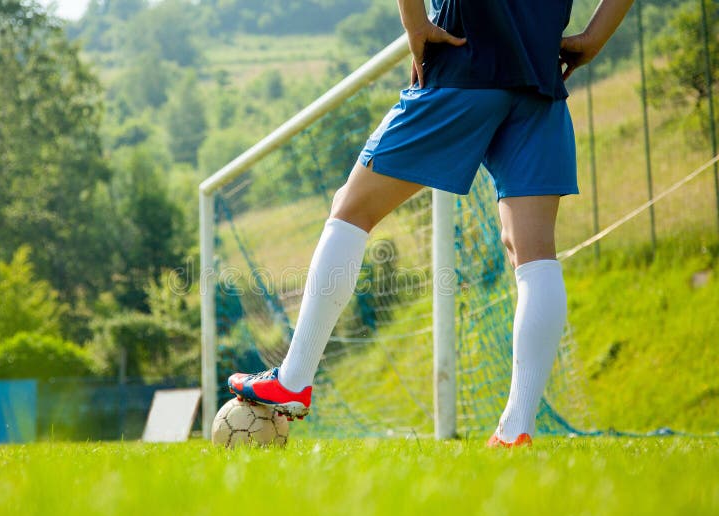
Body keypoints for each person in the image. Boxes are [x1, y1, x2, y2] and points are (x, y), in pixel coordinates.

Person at [228, 0, 635, 447]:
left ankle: (294, 378)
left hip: (465, 60)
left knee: (351, 208)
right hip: (540, 77)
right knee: (533, 255)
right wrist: (595, 37)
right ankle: (517, 427)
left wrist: (415, 22)